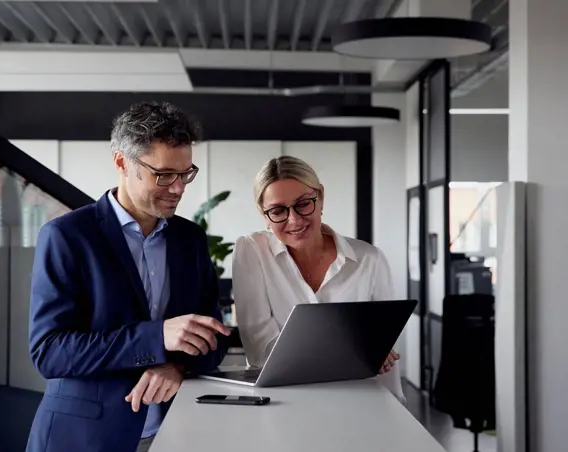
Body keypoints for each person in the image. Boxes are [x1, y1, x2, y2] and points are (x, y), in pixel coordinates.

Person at [25, 101, 231, 452]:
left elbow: (214, 333)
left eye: (185, 174)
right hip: (83, 439)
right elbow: (50, 353)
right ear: (122, 162)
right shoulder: (67, 236)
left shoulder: (189, 239)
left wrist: (178, 365)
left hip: (173, 433)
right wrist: (157, 339)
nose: (179, 188)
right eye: (164, 175)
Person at [231, 155, 406, 404]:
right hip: (283, 405)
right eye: (278, 211)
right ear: (264, 215)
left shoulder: (369, 260)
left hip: (359, 404)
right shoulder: (252, 251)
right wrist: (354, 356)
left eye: (303, 204)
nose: (294, 220)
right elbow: (262, 354)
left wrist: (395, 408)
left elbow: (385, 355)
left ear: (320, 197)